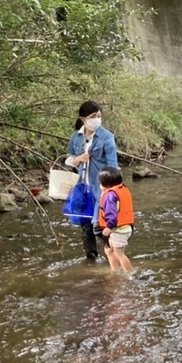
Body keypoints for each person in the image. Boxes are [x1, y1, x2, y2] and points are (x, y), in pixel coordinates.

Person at [65, 101, 120, 262]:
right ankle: (91, 259)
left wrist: (112, 189)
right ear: (83, 119)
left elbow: (113, 165)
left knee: (99, 226)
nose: (97, 119)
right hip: (82, 187)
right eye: (93, 117)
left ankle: (114, 256)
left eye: (99, 116)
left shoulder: (107, 137)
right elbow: (68, 159)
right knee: (86, 227)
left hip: (101, 187)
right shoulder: (76, 136)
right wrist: (77, 159)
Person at [97, 167, 134, 274]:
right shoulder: (121, 189)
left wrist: (108, 227)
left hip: (118, 229)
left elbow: (111, 215)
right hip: (123, 228)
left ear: (105, 184)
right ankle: (115, 271)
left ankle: (130, 273)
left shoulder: (109, 196)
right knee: (109, 250)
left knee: (119, 253)